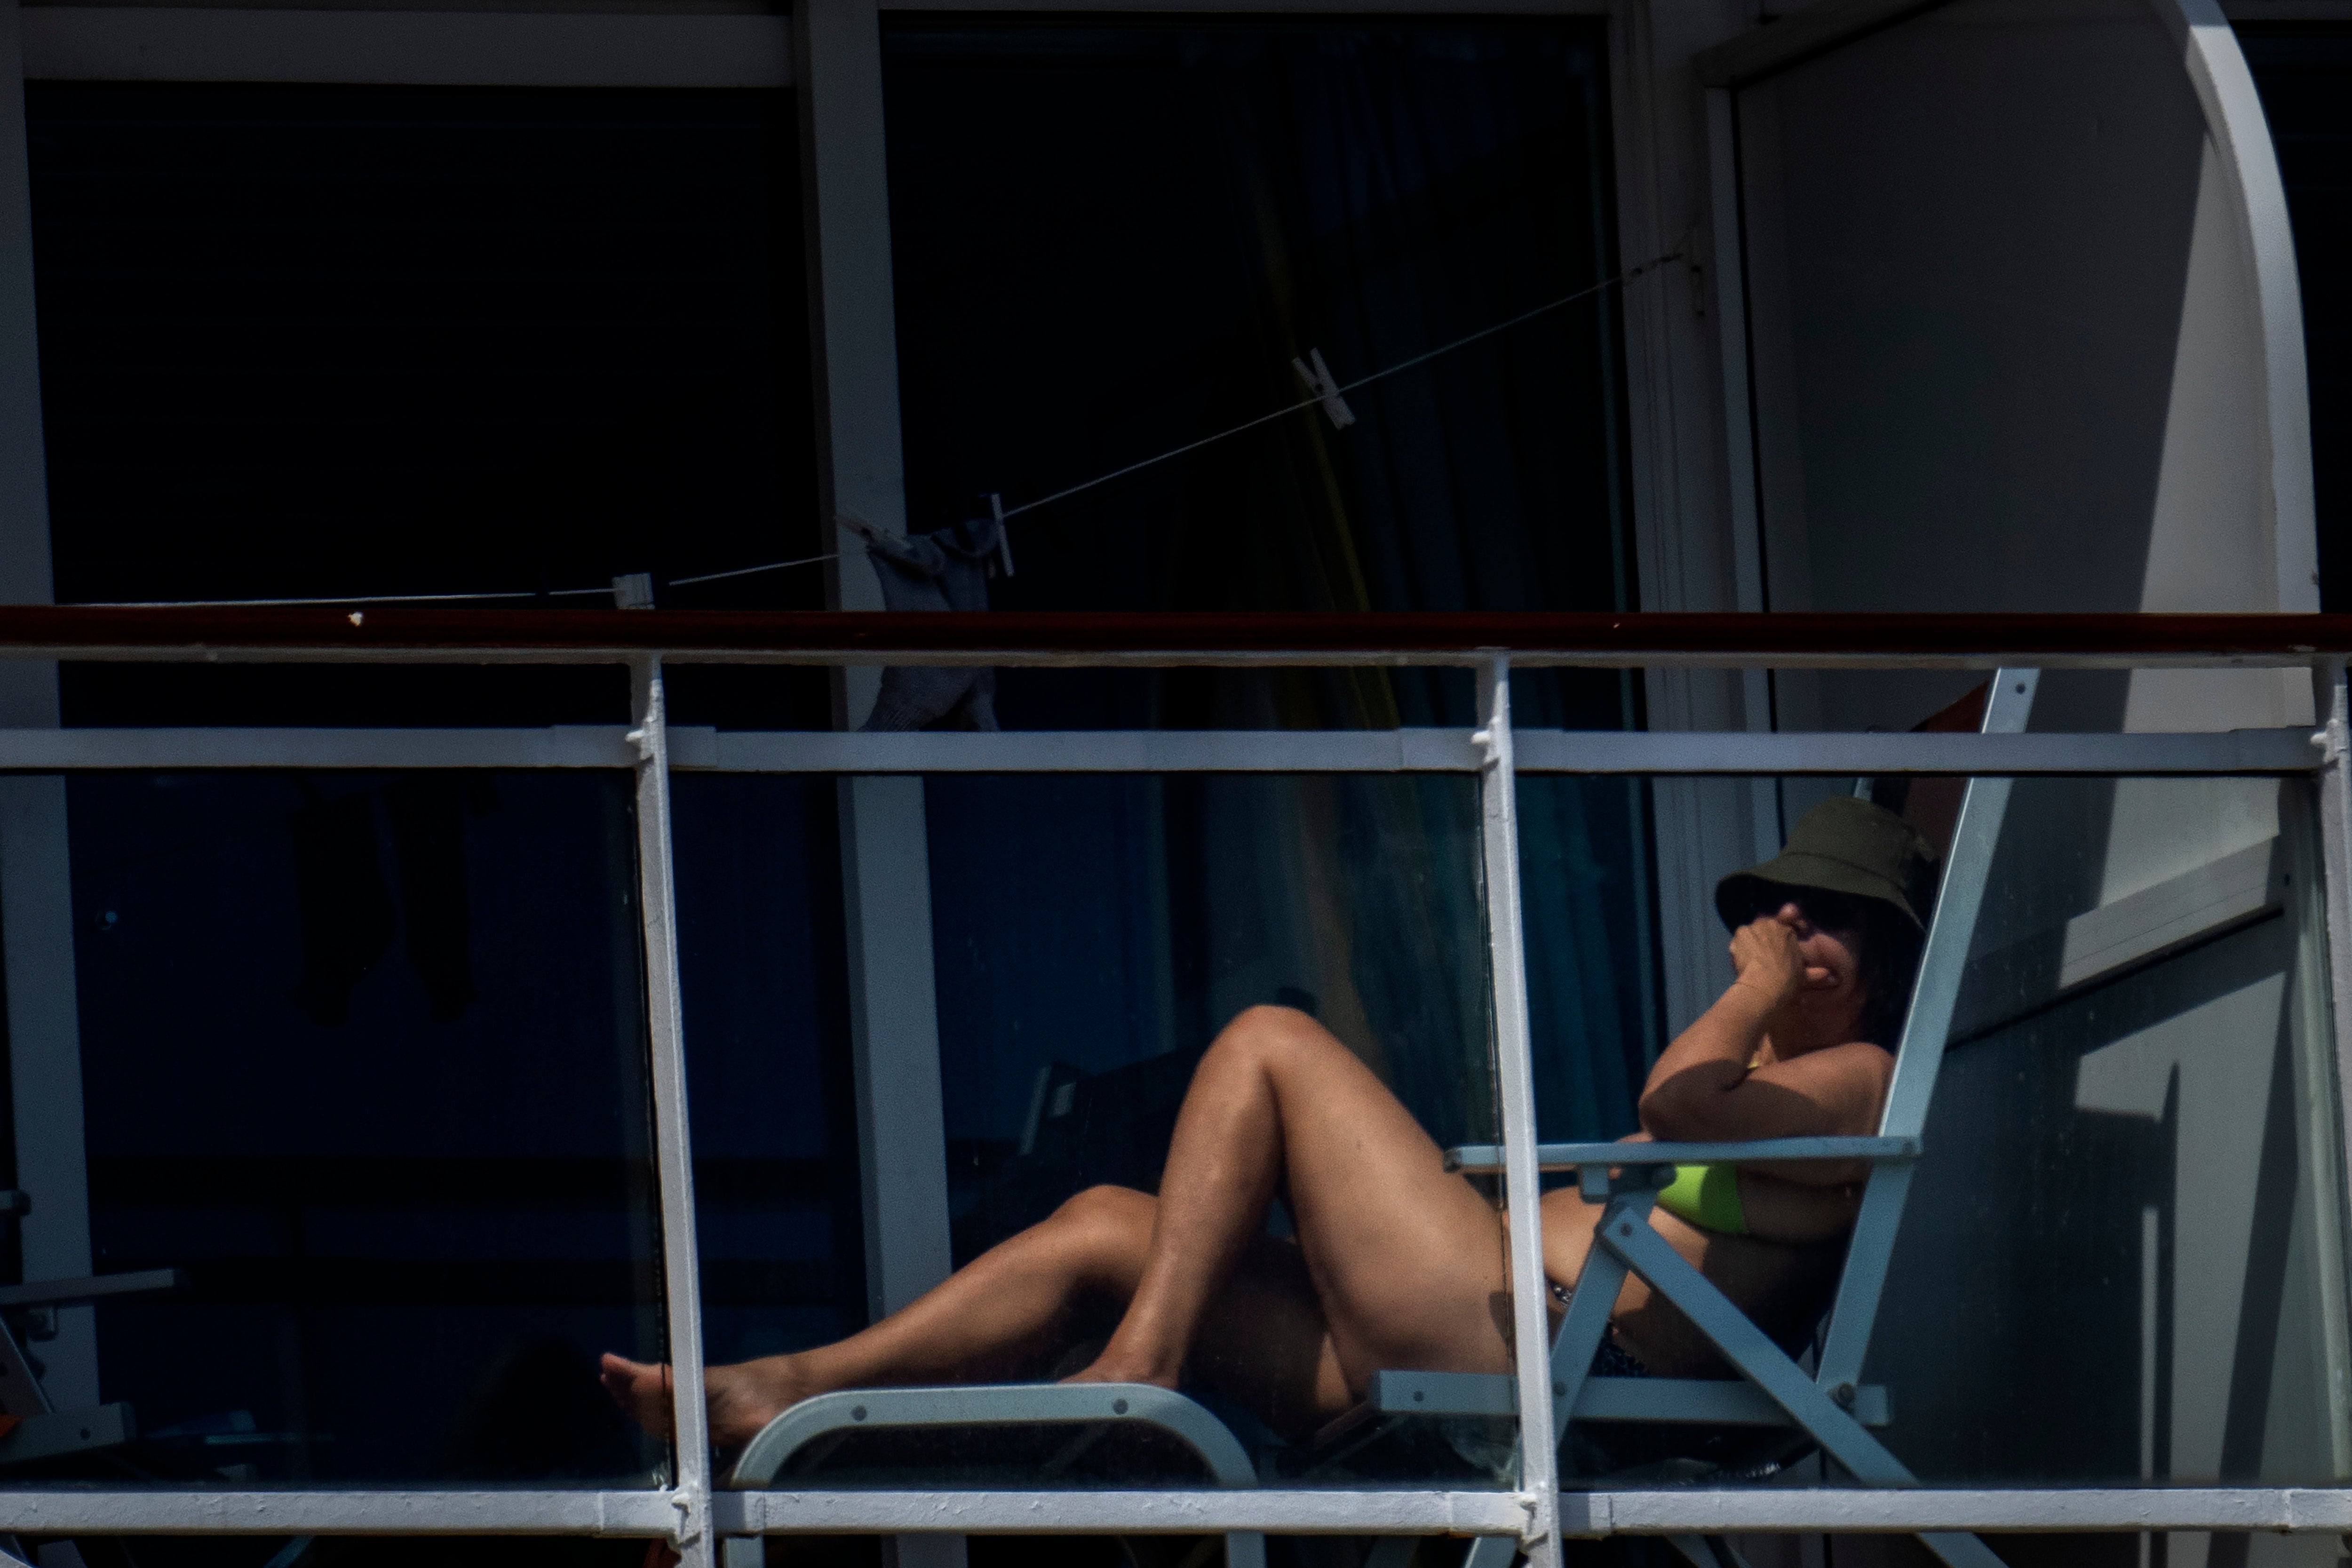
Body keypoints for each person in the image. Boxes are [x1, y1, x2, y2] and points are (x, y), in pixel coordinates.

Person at [601, 796, 1935, 1451]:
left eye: (1819, 918)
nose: (1784, 931)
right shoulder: (1757, 1085)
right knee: (1109, 1224)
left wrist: (1754, 988)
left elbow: (1670, 1102)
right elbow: (1690, 1102)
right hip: (1468, 1337)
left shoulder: (1861, 1077)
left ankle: (1145, 1374)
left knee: (1270, 1044)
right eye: (1776, 909)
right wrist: (1754, 997)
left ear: (1877, 960)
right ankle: (780, 1388)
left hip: (1556, 1368)